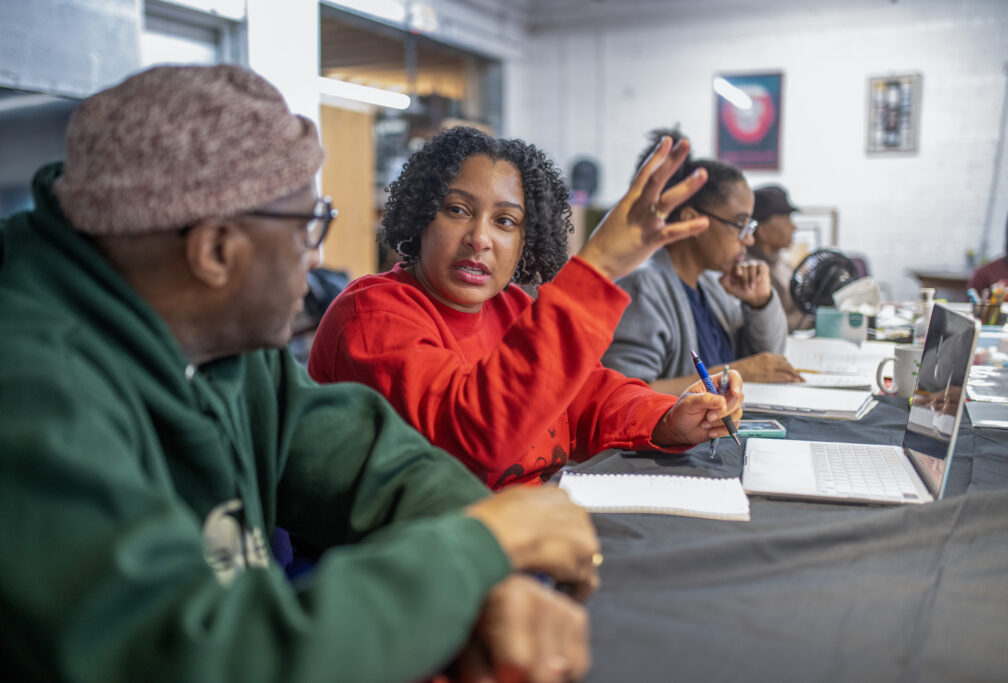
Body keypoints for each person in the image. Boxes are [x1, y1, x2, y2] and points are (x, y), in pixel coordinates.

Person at [0, 64, 602, 683]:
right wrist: (478, 552)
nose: (317, 257)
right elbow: (197, 657)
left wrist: (493, 562)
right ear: (217, 252)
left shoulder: (221, 338)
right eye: (309, 226)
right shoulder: (26, 391)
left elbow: (361, 458)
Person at [308, 126, 745, 490]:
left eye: (505, 221)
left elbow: (591, 395)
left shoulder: (514, 305)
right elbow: (476, 435)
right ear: (421, 218)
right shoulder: (371, 315)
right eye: (457, 210)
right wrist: (597, 267)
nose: (480, 238)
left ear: (524, 243)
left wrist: (668, 418)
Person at [602, 129, 802, 396]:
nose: (749, 240)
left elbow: (768, 363)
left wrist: (759, 304)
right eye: (740, 224)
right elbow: (626, 395)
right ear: (690, 220)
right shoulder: (644, 287)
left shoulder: (712, 285)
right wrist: (736, 374)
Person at [747, 184, 811, 331]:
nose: (793, 227)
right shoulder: (751, 271)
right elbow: (774, 325)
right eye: (786, 220)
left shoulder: (780, 263)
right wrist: (813, 318)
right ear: (762, 230)